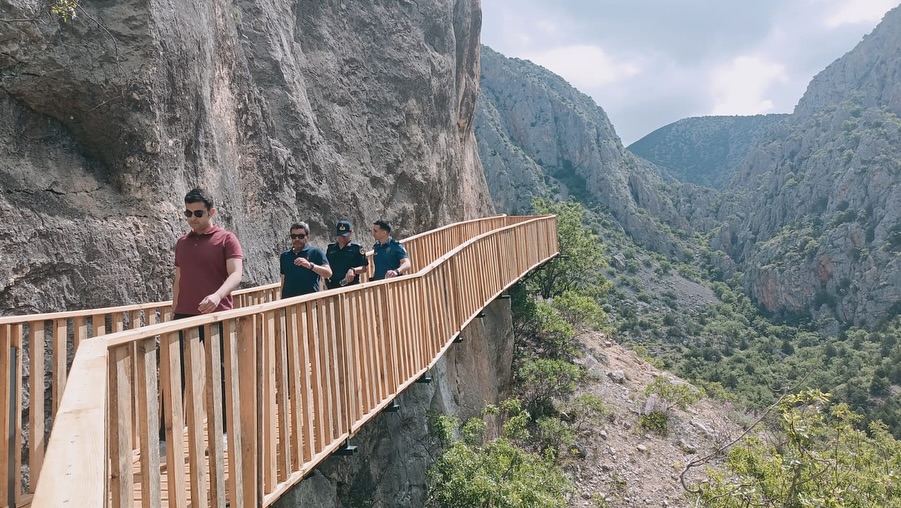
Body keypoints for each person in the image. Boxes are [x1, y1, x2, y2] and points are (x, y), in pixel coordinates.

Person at [173, 187, 244, 317]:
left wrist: (218, 296)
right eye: (188, 213)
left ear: (211, 212)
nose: (193, 218)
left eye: (198, 213)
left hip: (217, 314)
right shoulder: (182, 242)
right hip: (183, 315)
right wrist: (174, 312)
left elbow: (236, 274)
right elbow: (178, 280)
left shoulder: (227, 239)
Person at [280, 222, 332, 298]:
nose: (297, 239)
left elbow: (328, 273)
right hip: (289, 303)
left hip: (310, 302)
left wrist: (310, 266)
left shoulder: (316, 252)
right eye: (293, 236)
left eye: (300, 236)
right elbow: (283, 280)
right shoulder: (285, 256)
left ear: (307, 236)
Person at [325, 220, 369, 289]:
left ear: (351, 233)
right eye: (340, 235)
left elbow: (364, 268)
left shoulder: (356, 248)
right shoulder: (331, 248)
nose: (342, 238)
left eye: (344, 236)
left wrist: (353, 270)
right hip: (333, 287)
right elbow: (327, 265)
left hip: (351, 287)